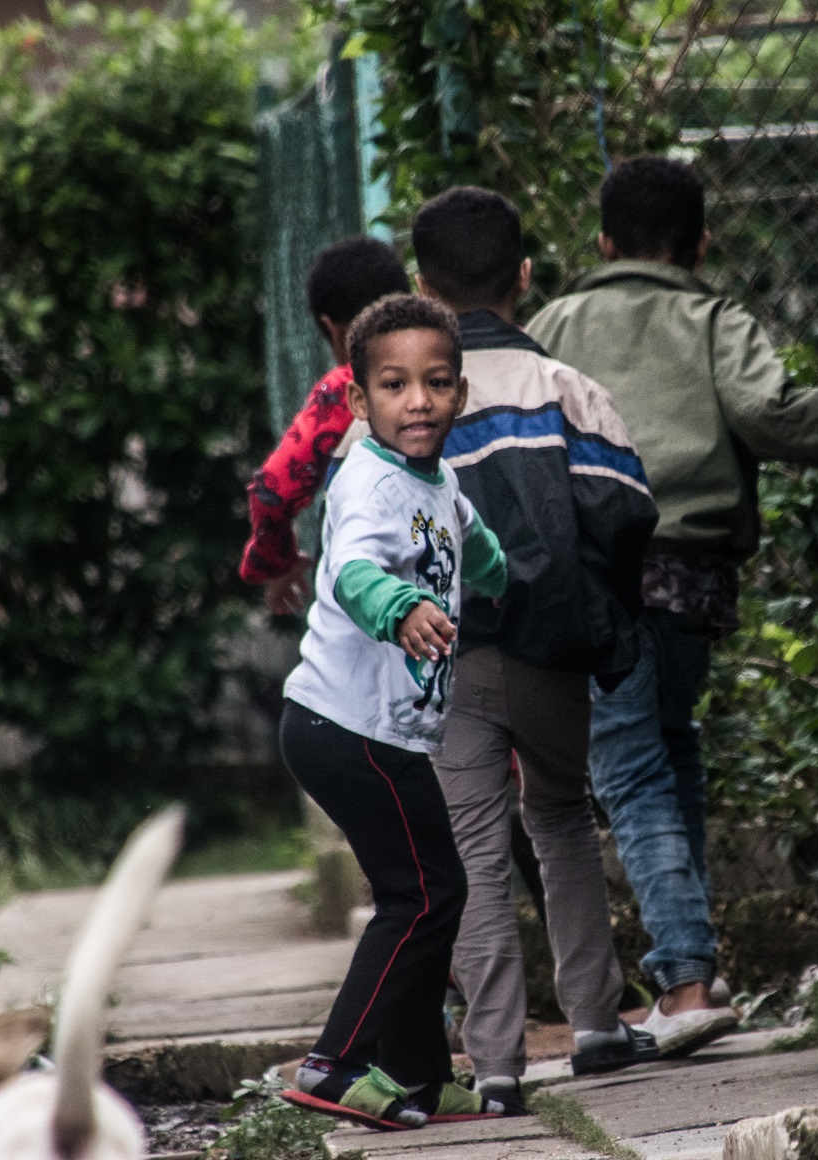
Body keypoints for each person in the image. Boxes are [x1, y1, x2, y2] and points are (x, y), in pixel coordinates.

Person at [527, 156, 818, 1057]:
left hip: (595, 571)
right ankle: (698, 973)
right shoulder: (711, 317)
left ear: (600, 243)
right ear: (700, 241)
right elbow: (767, 410)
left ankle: (681, 985)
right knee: (669, 754)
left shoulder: (552, 323)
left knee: (631, 770)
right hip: (690, 576)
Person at [409, 187, 662, 1114]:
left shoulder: (409, 413)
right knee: (558, 817)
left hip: (451, 660)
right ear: (525, 276)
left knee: (473, 845)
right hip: (553, 652)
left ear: (422, 289)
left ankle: (499, 1065)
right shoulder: (567, 391)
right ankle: (597, 1022)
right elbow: (627, 509)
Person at [277, 294, 510, 1129]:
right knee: (424, 895)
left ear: (460, 392)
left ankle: (415, 1077)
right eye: (395, 384)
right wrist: (400, 609)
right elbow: (354, 571)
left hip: (379, 733)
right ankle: (333, 1065)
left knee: (424, 892)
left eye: (437, 383)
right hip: (346, 727)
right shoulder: (368, 484)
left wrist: (498, 573)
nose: (419, 401)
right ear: (359, 400)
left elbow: (470, 537)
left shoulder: (434, 477)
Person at [240, 236, 412, 612]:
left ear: (332, 328)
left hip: (375, 595)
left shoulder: (346, 390)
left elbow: (272, 490)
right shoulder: (446, 371)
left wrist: (277, 560)